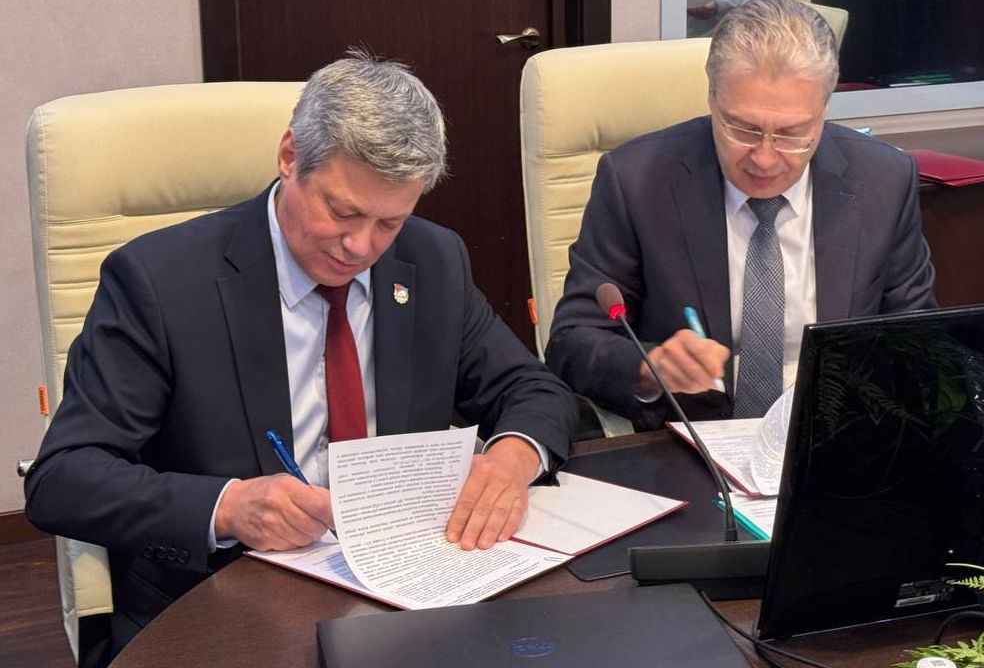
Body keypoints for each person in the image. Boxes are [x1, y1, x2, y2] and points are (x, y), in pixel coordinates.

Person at [24, 51, 577, 663]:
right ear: (290, 157)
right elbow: (64, 478)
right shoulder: (159, 282)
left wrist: (509, 462)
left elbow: (535, 390)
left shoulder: (432, 260)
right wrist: (227, 507)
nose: (360, 246)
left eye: (389, 222)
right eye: (342, 212)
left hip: (405, 584)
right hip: (222, 603)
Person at [546, 0, 936, 431]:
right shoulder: (637, 181)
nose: (765, 158)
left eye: (792, 134)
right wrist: (649, 366)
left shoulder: (883, 180)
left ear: (824, 110)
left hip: (834, 436)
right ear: (712, 99)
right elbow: (572, 342)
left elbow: (916, 339)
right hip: (694, 442)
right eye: (743, 129)